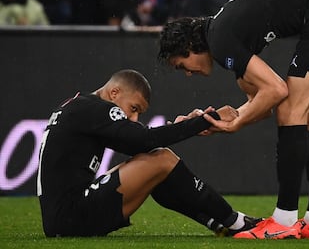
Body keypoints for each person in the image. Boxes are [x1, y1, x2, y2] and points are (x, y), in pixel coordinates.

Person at [158, 0, 309, 239]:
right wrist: (210, 122)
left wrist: (232, 123)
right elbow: (260, 106)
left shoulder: (219, 39)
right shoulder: (224, 33)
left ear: (190, 46)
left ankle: (284, 220)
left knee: (291, 110)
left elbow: (276, 91)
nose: (188, 74)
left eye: (182, 65)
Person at [36, 69, 261, 237]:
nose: (133, 118)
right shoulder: (94, 108)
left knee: (153, 163)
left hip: (64, 216)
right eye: (134, 109)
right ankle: (233, 220)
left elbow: (140, 145)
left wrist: (188, 123)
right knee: (161, 159)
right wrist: (207, 120)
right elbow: (145, 139)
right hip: (71, 216)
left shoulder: (80, 106)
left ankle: (216, 222)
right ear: (114, 92)